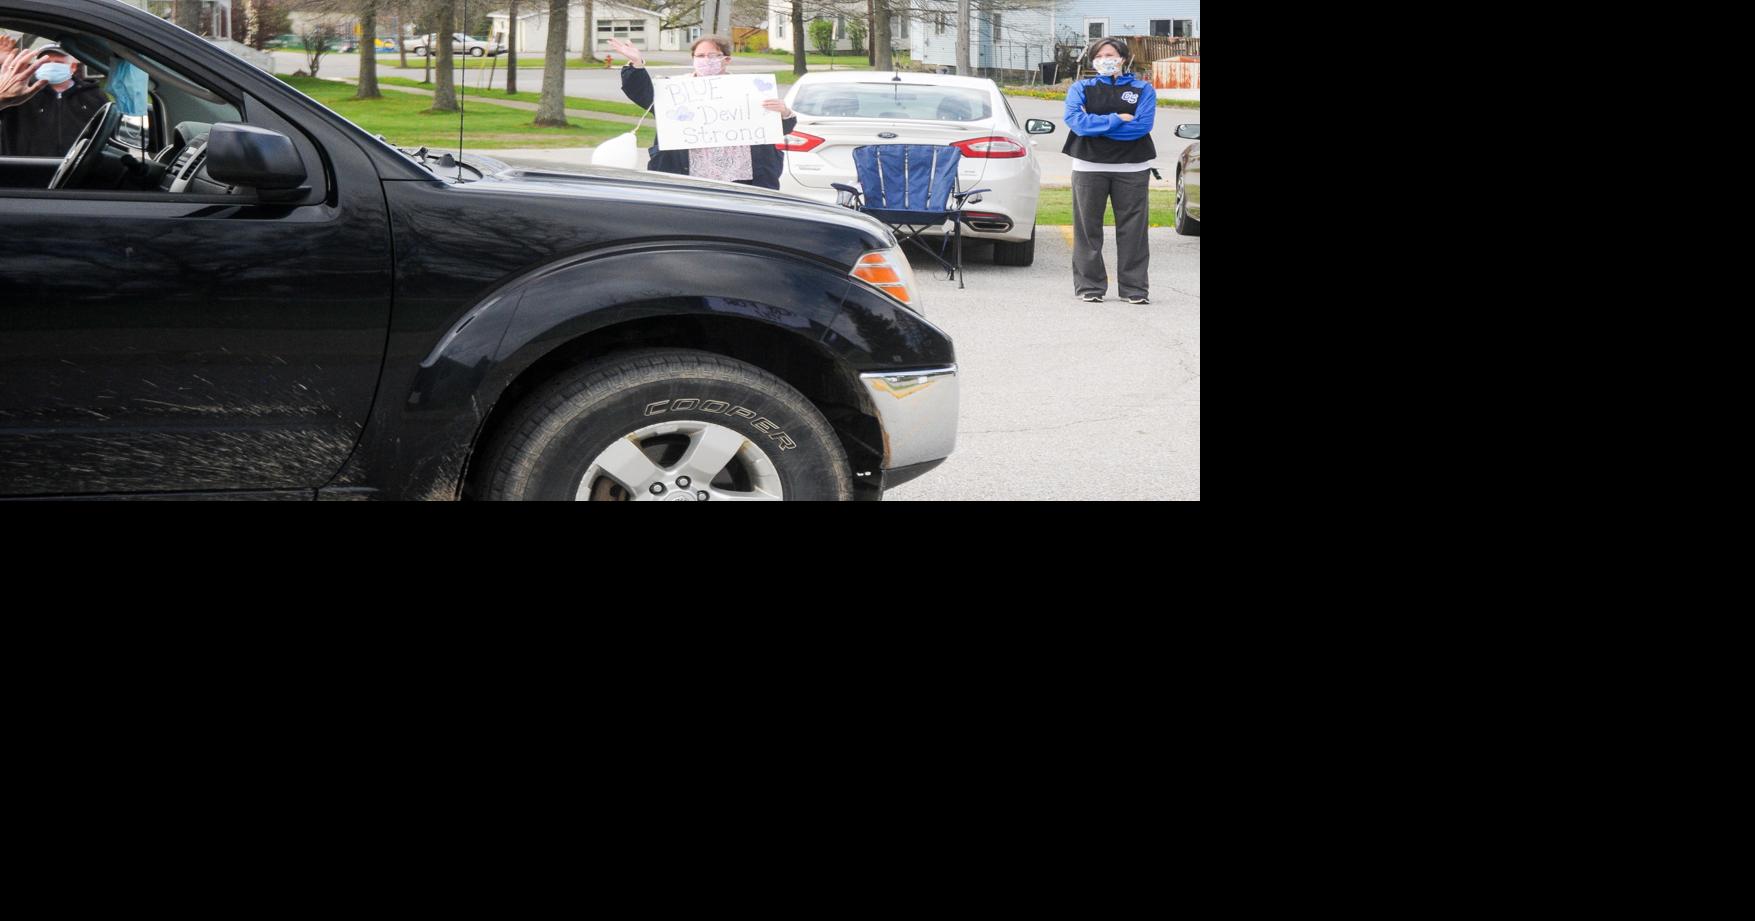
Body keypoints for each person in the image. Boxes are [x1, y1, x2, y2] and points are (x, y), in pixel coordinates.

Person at [607, 35, 796, 190]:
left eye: (713, 55)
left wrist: (784, 112)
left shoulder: (749, 90)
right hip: (688, 178)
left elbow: (779, 129)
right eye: (701, 55)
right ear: (693, 59)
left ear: (726, 59)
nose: (706, 60)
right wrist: (637, 63)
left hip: (744, 180)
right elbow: (642, 92)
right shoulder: (675, 90)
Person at [1062, 38, 1158, 305]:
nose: (1106, 59)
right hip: (1089, 167)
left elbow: (1142, 126)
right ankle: (1089, 287)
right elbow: (1077, 123)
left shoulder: (1143, 89)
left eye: (1112, 54)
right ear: (1093, 60)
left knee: (1133, 230)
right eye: (1101, 55)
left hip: (1132, 168)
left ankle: (1134, 288)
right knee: (1087, 229)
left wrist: (1098, 125)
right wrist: (1118, 119)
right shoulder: (1081, 88)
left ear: (1123, 58)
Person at [0, 42, 109, 157]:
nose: (51, 66)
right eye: (45, 63)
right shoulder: (21, 94)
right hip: (25, 168)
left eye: (58, 62)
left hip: (77, 168)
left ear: (73, 67)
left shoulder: (93, 95)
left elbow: (107, 132)